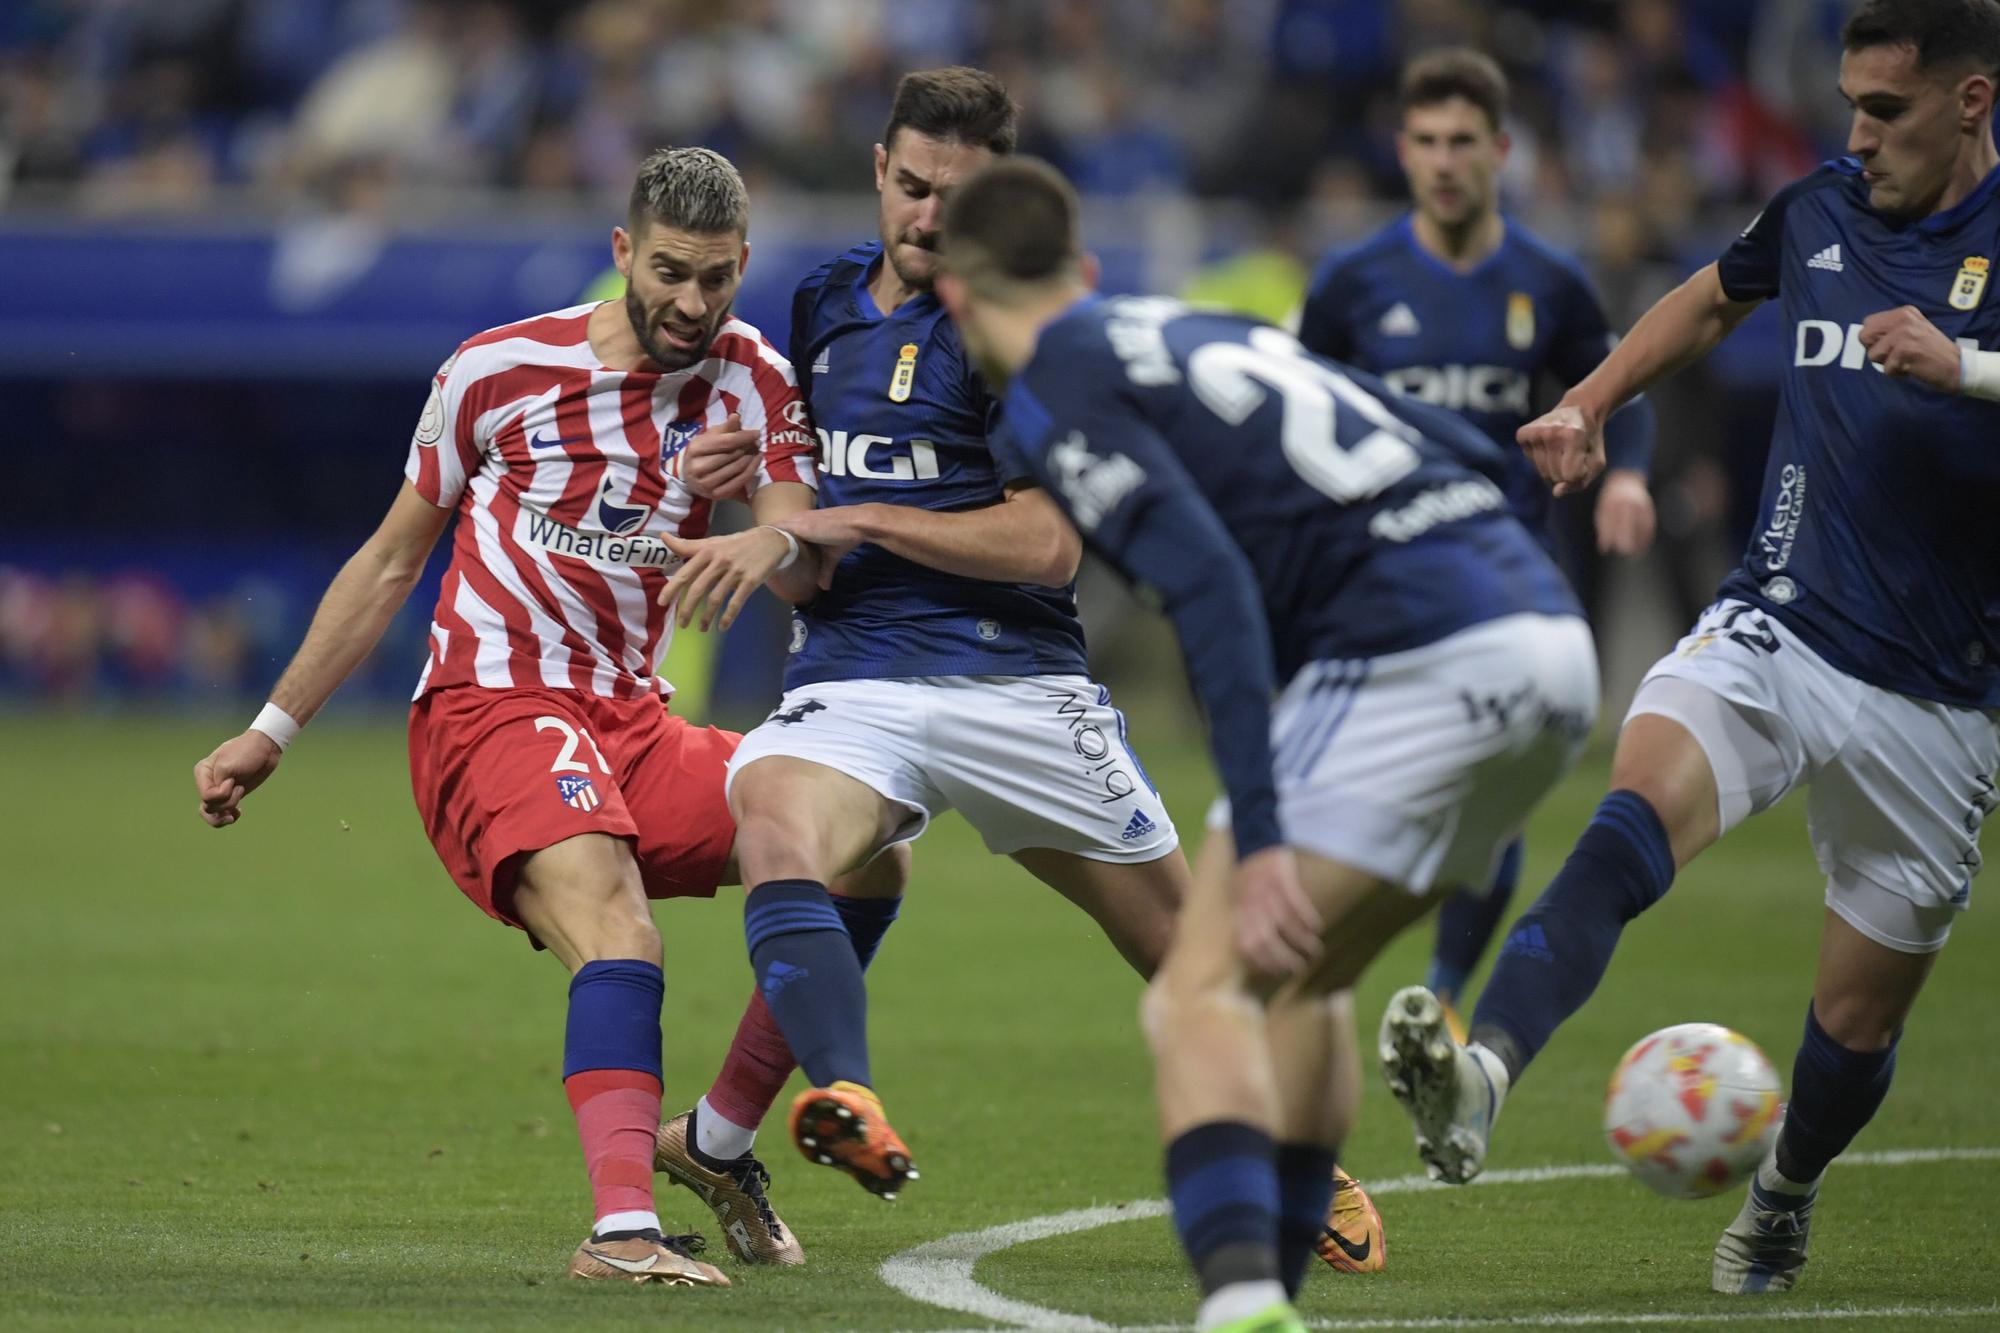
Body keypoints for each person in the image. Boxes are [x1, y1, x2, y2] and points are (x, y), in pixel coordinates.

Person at [190, 146, 903, 1286]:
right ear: (622, 252)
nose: (690, 301)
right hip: (491, 708)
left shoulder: (755, 380)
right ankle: (619, 1230)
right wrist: (269, 730)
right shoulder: (496, 369)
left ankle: (714, 1145)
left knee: (869, 851)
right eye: (668, 271)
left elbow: (800, 568)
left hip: (634, 724)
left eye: (715, 278)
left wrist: (751, 509)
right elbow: (386, 562)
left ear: (742, 267)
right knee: (618, 923)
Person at [1379, 0, 2000, 1296]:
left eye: (1886, 110)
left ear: (1971, 102)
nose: (1858, 134)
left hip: (1940, 690)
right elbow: (1713, 299)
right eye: (1851, 105)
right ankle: (1485, 1071)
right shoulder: (1819, 209)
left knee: (1856, 1018)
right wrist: (1592, 399)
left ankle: (1784, 1192)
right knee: (1636, 801)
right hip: (1781, 614)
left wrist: (1971, 371)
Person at [933, 155, 1596, 1333]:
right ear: (1081, 271)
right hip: (1547, 641)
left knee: (1196, 994)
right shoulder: (1189, 324)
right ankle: (1272, 1287)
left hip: (1410, 657)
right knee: (1306, 980)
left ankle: (1239, 1305)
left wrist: (1267, 829)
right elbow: (1471, 446)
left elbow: (1211, 593)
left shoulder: (1049, 388)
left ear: (955, 298)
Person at [1297, 47, 1659, 1042]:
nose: (1442, 161)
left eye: (1462, 141)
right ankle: (1326, 979)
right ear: (1399, 149)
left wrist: (1624, 472)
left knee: (1490, 793)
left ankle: (1444, 995)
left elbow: (1611, 394)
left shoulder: (1546, 283)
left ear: (1500, 149)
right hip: (1372, 583)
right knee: (1363, 803)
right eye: (1424, 141)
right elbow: (1298, 416)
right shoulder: (1350, 284)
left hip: (1501, 581)